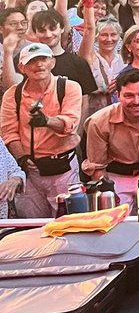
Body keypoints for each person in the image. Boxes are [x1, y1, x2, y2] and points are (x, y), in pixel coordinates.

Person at [1, 43, 82, 217]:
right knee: (31, 225)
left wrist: (47, 121)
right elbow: (8, 132)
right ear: (22, 67)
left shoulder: (69, 87)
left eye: (43, 59)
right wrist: (21, 157)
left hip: (63, 167)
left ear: (52, 62)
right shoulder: (12, 95)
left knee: (69, 222)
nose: (39, 65)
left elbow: (70, 123)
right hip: (30, 171)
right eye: (32, 61)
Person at [83, 69, 139, 204]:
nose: (136, 101)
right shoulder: (98, 122)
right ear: (118, 95)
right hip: (116, 177)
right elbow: (97, 166)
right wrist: (109, 195)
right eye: (129, 96)